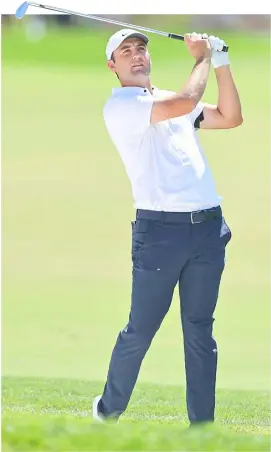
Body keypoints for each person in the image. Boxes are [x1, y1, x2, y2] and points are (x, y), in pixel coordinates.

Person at [92, 28, 243, 426]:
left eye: (141, 48)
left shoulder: (167, 103)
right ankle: (107, 412)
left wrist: (221, 59)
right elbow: (188, 99)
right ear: (113, 66)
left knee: (199, 334)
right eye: (126, 52)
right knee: (140, 331)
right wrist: (202, 57)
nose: (136, 55)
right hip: (160, 233)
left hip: (208, 230)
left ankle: (202, 429)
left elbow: (231, 117)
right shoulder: (121, 107)